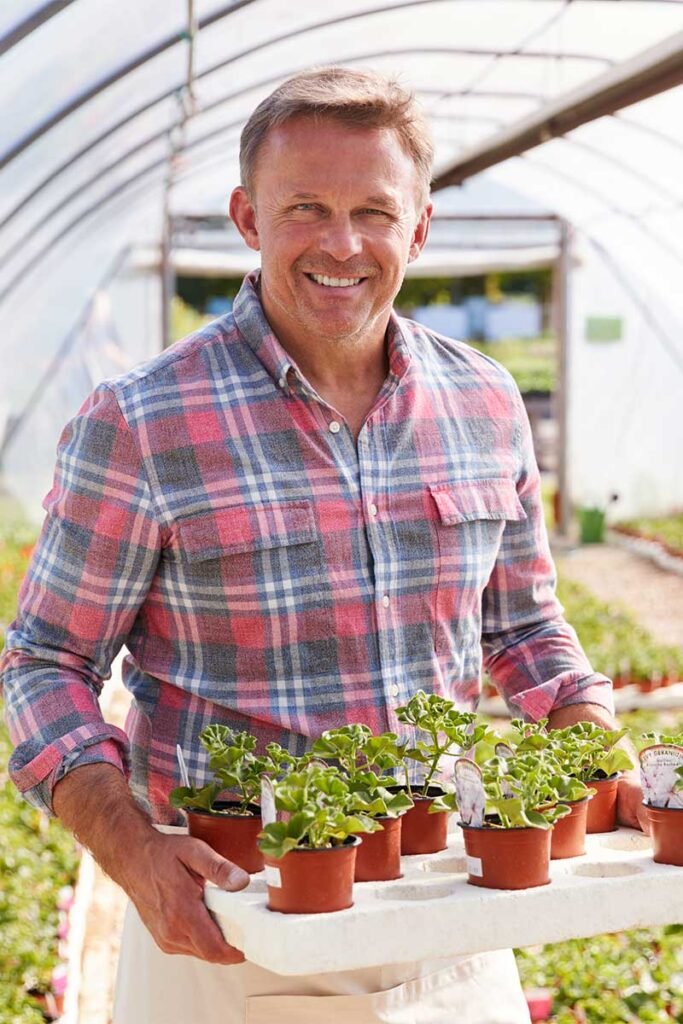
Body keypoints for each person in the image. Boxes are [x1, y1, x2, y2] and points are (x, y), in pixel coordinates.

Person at [1, 67, 646, 1024]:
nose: (342, 244)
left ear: (419, 227)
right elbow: (43, 662)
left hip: (448, 914)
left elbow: (523, 627)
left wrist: (600, 749)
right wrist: (134, 854)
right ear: (247, 218)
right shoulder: (142, 422)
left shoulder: (483, 401)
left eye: (373, 212)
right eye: (304, 207)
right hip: (228, 930)